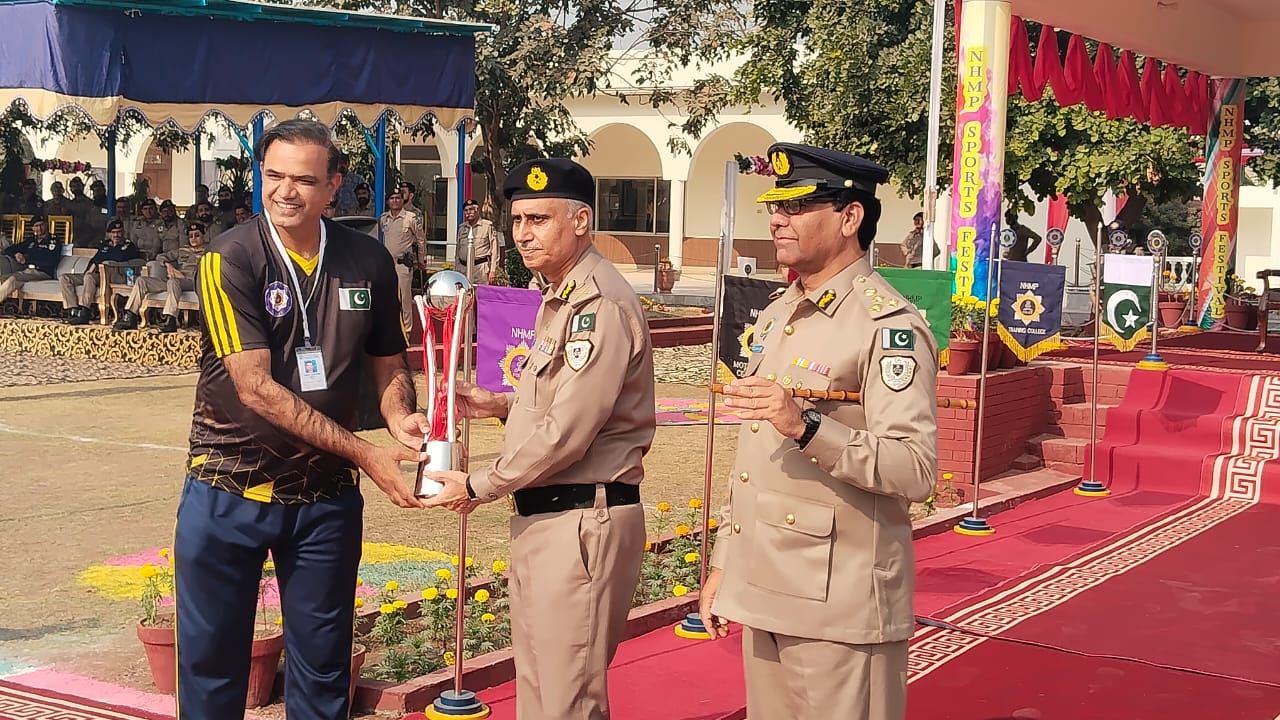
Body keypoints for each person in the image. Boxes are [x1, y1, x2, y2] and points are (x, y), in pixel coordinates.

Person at [176, 118, 430, 720]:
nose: (285, 192)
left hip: (323, 500)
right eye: (274, 176)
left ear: (333, 185)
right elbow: (255, 388)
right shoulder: (231, 256)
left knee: (322, 671)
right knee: (212, 672)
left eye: (304, 180)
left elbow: (388, 362)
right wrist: (366, 453)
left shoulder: (367, 259)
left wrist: (400, 418)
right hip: (229, 489)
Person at [698, 143, 938, 720]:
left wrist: (807, 426)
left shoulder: (887, 327)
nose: (777, 219)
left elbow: (915, 469)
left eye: (797, 207)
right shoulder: (780, 312)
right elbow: (754, 459)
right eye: (775, 206)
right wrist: (726, 563)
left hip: (840, 603)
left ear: (850, 217)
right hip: (766, 586)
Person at [422, 158, 654, 720]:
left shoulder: (597, 304)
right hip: (548, 518)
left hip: (580, 521)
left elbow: (567, 435)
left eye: (539, 219)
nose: (523, 234)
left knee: (567, 702)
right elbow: (561, 405)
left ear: (580, 220)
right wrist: (501, 405)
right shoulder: (560, 297)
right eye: (518, 220)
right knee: (540, 695)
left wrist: (477, 485)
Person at [113, 221, 209, 333]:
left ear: (203, 236)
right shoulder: (182, 250)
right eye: (191, 236)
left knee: (173, 282)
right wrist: (169, 266)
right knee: (141, 281)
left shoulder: (209, 251)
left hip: (194, 281)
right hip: (175, 280)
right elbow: (160, 257)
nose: (193, 239)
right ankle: (130, 317)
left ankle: (170, 319)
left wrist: (183, 276)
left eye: (197, 235)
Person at [61, 218, 141, 325]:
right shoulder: (104, 245)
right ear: (109, 234)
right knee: (64, 278)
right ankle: (73, 311)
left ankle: (84, 312)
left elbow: (119, 257)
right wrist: (91, 268)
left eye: (119, 232)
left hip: (111, 275)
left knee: (89, 277)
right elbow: (95, 259)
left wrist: (101, 259)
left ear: (123, 232)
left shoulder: (128, 246)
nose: (116, 235)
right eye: (113, 232)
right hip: (95, 274)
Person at [378, 190, 425, 334]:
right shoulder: (384, 218)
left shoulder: (410, 218)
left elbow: (421, 240)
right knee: (387, 298)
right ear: (388, 201)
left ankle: (407, 332)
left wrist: (421, 260)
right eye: (392, 198)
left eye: (398, 198)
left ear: (402, 200)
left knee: (404, 299)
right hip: (387, 264)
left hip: (402, 264)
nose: (395, 200)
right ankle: (390, 330)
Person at [455, 198, 503, 285]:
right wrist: (457, 269)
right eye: (466, 210)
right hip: (462, 268)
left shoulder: (487, 226)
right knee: (463, 292)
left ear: (477, 210)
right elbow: (458, 251)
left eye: (471, 209)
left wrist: (493, 270)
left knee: (480, 292)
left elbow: (495, 250)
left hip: (480, 269)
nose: (468, 212)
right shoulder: (462, 228)